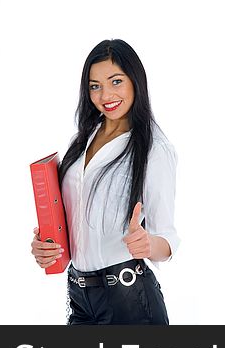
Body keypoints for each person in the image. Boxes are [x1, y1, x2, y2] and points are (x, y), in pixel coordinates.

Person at [29, 39, 179, 324]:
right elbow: (72, 218)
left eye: (116, 81)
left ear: (136, 81)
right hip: (80, 296)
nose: (105, 94)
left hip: (130, 301)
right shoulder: (81, 140)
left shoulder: (154, 149)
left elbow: (167, 238)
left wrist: (148, 244)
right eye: (95, 85)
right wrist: (46, 244)